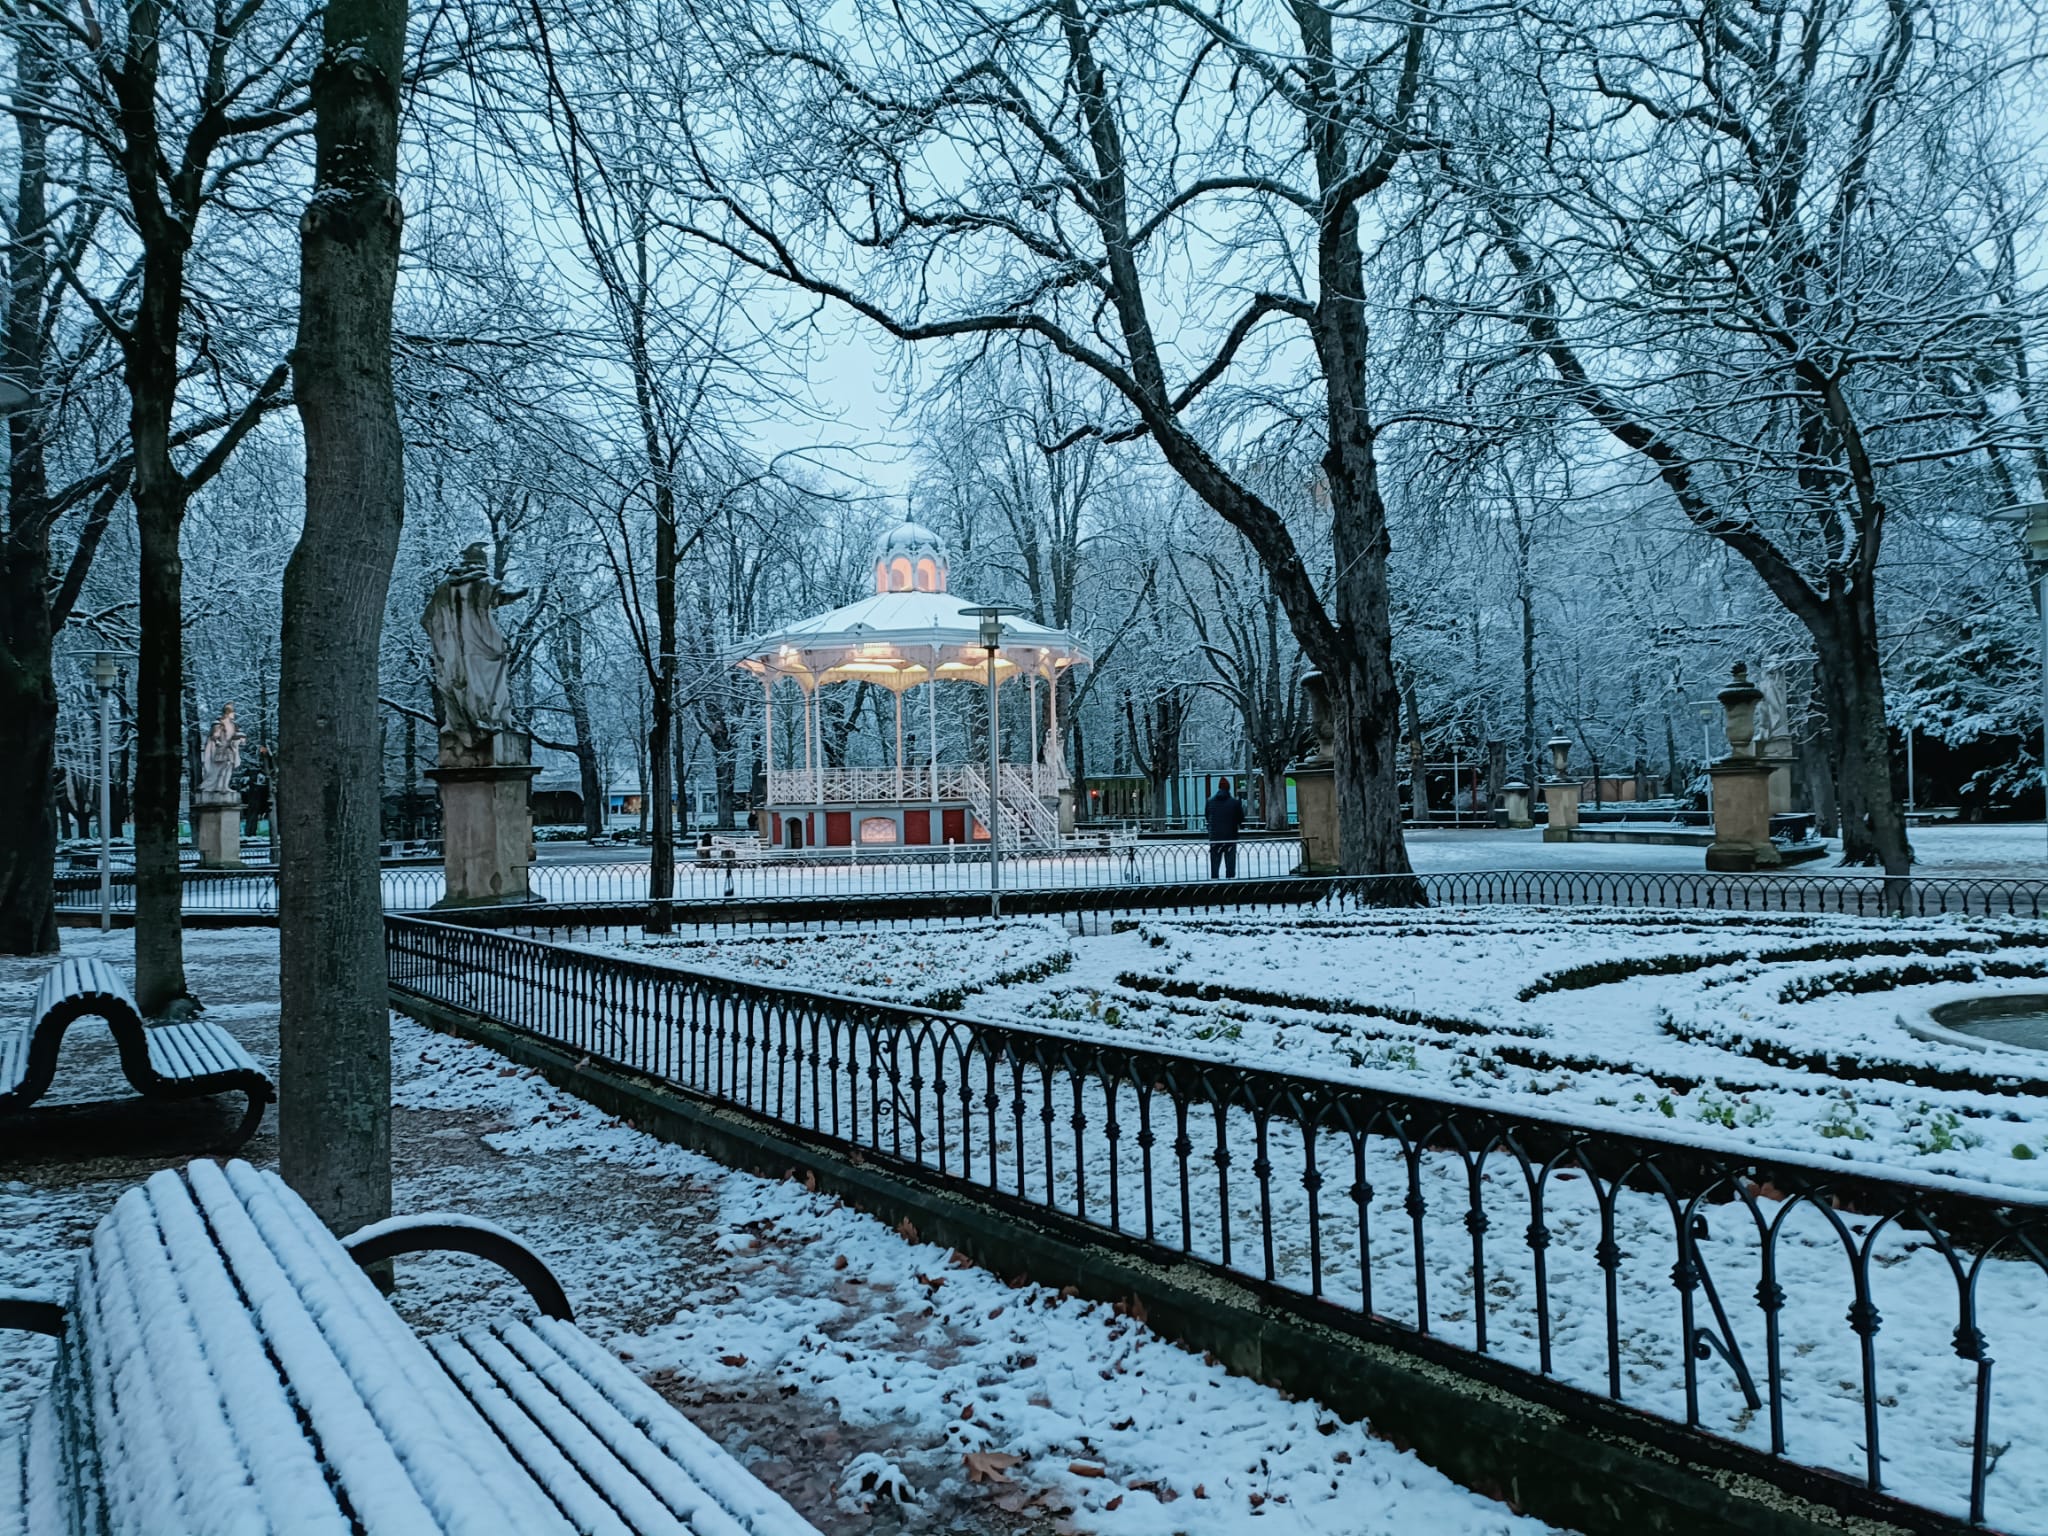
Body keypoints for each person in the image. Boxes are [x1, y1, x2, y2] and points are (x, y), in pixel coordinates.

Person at [1205, 780, 1244, 879]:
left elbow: (1207, 816)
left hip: (1215, 838)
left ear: (1219, 787)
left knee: (1215, 865)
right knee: (1230, 865)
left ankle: (1214, 885)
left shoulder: (1210, 802)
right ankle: (1230, 885)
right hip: (1230, 838)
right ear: (1228, 788)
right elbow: (1240, 819)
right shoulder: (1235, 803)